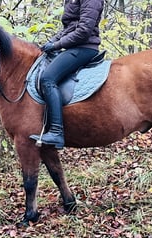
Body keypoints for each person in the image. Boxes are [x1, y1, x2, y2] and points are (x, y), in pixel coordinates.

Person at [29, 0, 104, 149]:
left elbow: (84, 30)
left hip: (84, 47)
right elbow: (70, 28)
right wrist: (51, 41)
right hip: (73, 46)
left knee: (48, 78)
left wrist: (57, 45)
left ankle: (56, 132)